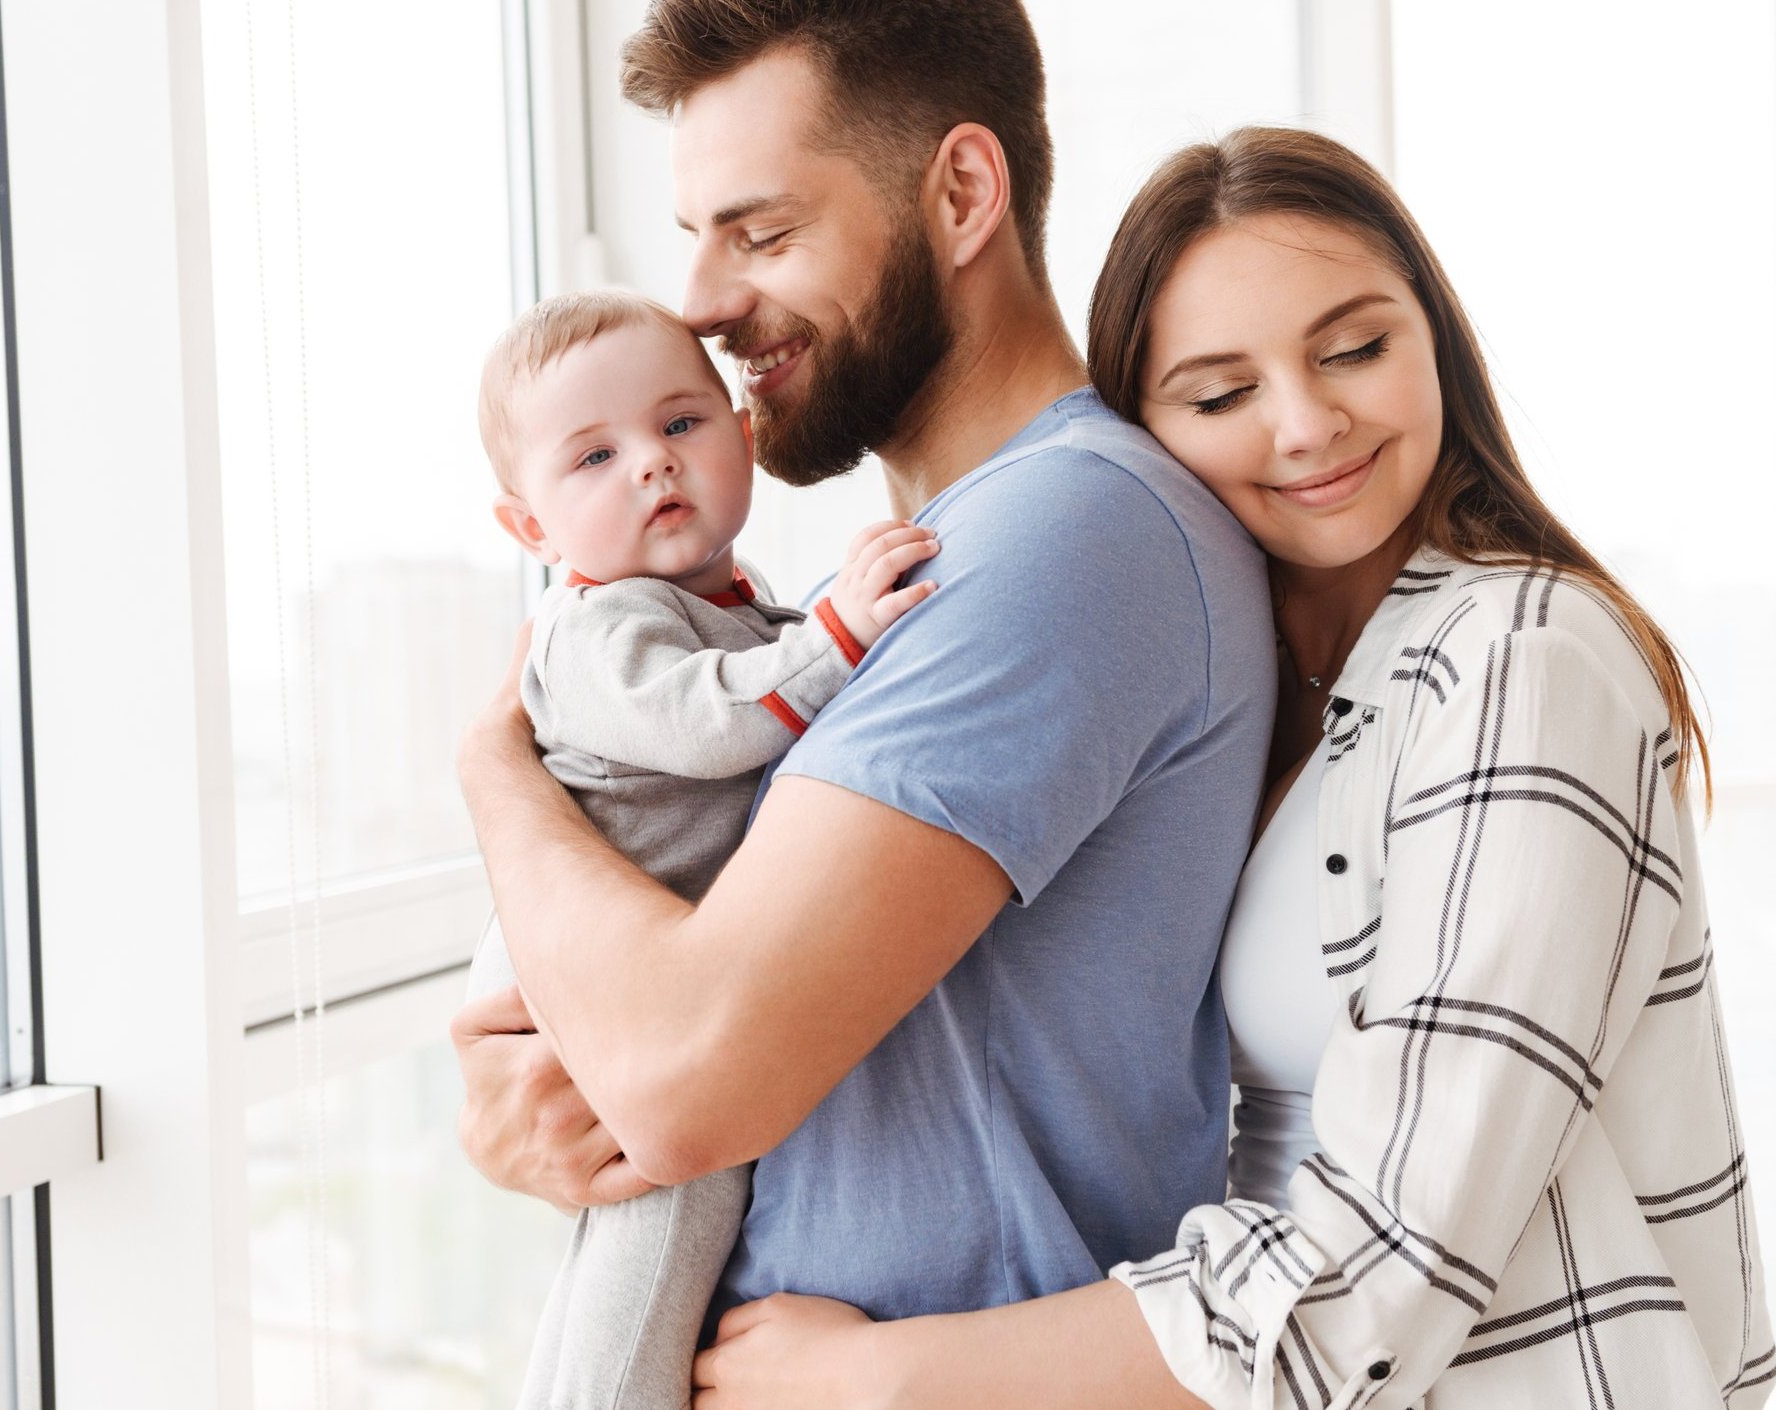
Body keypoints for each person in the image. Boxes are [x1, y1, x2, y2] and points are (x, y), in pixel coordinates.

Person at [689, 127, 1776, 1410]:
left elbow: (1377, 1271)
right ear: (1145, 437)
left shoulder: (1520, 659)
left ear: (1434, 336)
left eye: (1356, 348)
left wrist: (875, 1379)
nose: (1308, 424)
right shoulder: (1246, 676)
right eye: (1219, 395)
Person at [450, 0, 1276, 1346]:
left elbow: (679, 1080)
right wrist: (533, 1087)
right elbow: (659, 1032)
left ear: (958, 193)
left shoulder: (1061, 534)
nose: (705, 304)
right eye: (698, 238)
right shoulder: (933, 556)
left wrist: (494, 769)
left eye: (762, 233)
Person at [466, 287, 938, 1410]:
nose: (650, 466)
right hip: (586, 991)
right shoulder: (596, 626)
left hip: (636, 977)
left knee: (646, 1244)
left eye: (681, 424)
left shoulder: (731, 602)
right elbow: (705, 721)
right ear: (530, 529)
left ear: (739, 432)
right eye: (591, 457)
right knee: (658, 1233)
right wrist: (837, 638)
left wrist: (817, 625)